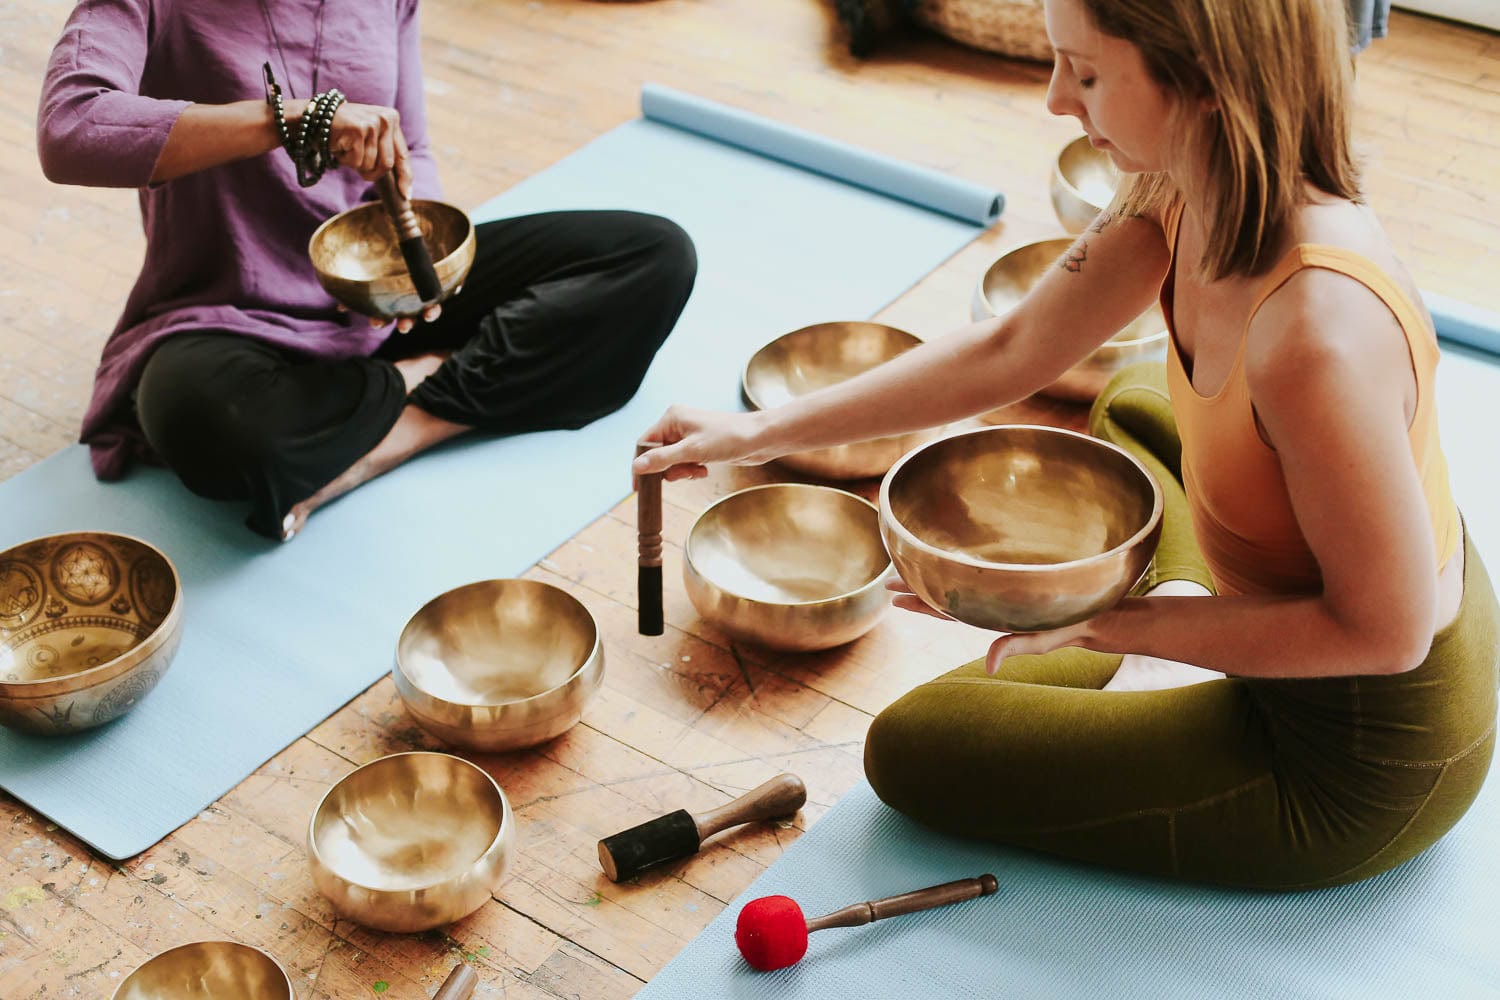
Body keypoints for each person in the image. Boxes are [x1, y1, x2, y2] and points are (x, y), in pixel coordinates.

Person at [633, 0, 1498, 889]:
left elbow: (1389, 632)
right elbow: (1014, 346)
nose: (1055, 100)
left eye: (1084, 73)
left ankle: (1175, 638)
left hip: (1355, 751)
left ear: (1202, 80)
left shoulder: (1319, 335)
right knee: (1133, 396)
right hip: (1353, 591)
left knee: (915, 749)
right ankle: (1192, 611)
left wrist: (1095, 624)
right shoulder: (1184, 181)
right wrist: (755, 428)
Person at [37, 0, 696, 541]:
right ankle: (444, 376)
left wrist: (412, 259)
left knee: (652, 256)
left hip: (369, 289)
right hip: (229, 309)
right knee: (201, 422)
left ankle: (405, 425)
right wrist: (291, 120)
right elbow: (71, 130)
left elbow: (413, 145)